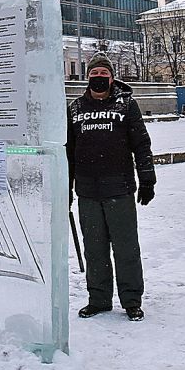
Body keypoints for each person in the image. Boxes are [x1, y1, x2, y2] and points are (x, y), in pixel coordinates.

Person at [67, 53, 156, 322]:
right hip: (88, 192)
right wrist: (65, 189)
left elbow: (141, 145)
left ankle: (131, 301)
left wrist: (147, 180)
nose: (98, 79)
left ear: (112, 77)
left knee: (126, 249)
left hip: (119, 189)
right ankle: (99, 299)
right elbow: (68, 152)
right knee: (94, 250)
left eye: (103, 75)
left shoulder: (126, 105)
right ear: (88, 78)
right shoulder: (75, 109)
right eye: (94, 75)